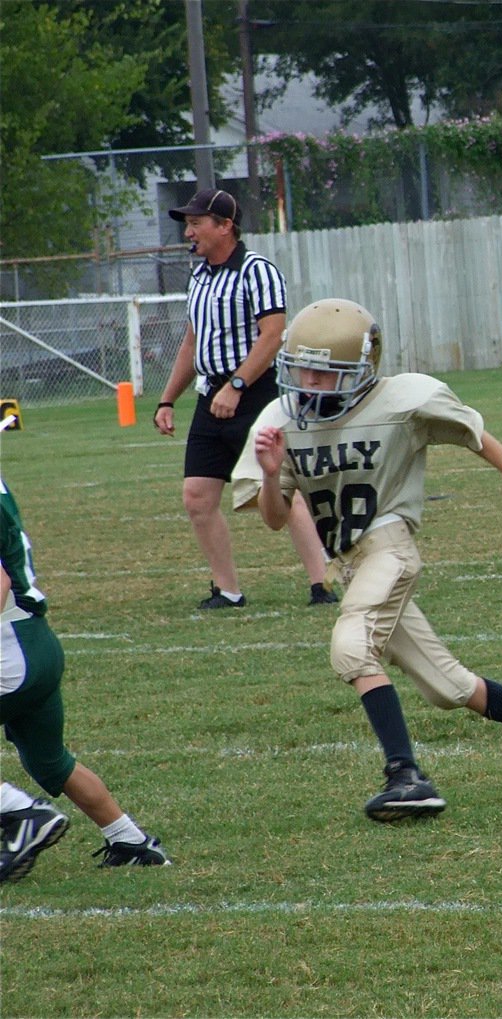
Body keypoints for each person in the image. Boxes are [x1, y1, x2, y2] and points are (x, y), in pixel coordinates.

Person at [231, 298, 502, 821]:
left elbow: (476, 436)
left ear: (360, 372)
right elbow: (272, 517)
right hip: (351, 562)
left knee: (352, 646)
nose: (306, 381)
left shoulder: (400, 400)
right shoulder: (281, 419)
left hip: (389, 546)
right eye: (300, 367)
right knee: (450, 688)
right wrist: (270, 473)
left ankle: (405, 775)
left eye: (322, 371)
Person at [154, 187, 337, 610]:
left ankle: (322, 583)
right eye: (188, 224)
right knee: (197, 497)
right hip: (210, 396)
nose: (189, 233)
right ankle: (228, 590)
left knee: (279, 490)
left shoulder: (258, 270)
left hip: (254, 394)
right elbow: (192, 342)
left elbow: (272, 336)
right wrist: (166, 400)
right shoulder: (199, 276)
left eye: (197, 223)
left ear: (225, 226)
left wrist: (236, 387)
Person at [0, 476, 169, 882]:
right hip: (36, 641)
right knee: (50, 760)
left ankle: (24, 813)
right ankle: (129, 840)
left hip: (9, 650)